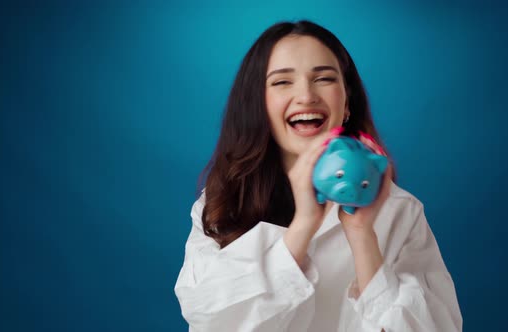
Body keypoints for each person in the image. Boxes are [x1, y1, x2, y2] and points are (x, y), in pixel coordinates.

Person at [174, 20, 462, 332]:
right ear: (259, 105)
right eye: (282, 82)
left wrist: (362, 235)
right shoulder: (222, 203)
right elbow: (209, 319)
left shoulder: (399, 210)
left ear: (347, 102)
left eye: (324, 78)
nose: (306, 96)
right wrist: (303, 226)